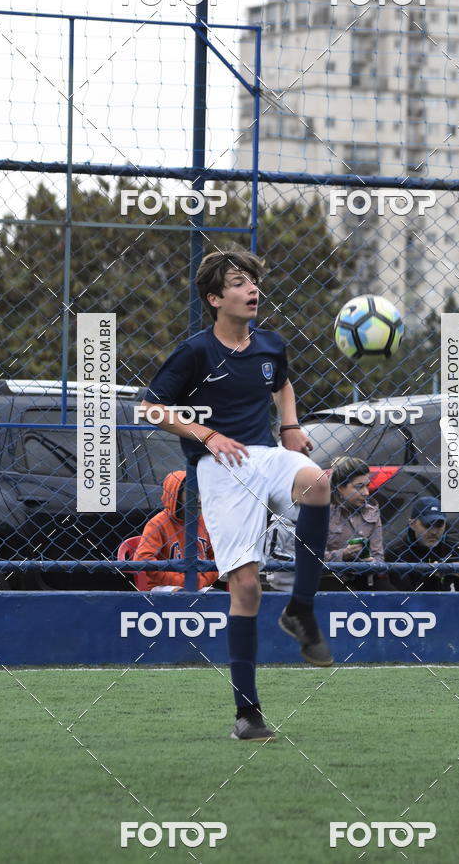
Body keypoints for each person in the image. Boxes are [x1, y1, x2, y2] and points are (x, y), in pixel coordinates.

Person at [141, 247, 332, 742]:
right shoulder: (196, 351)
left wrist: (289, 425)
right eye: (240, 283)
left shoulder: (270, 343)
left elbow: (283, 383)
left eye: (254, 281)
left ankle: (301, 607)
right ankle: (248, 714)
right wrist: (205, 435)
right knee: (245, 588)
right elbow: (151, 408)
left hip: (265, 456)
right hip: (220, 467)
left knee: (319, 481)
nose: (253, 290)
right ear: (214, 298)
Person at [134, 470, 217, 592]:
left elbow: (216, 557)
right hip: (162, 585)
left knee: (216, 597)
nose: (199, 499)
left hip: (198, 584)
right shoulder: (158, 523)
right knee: (180, 596)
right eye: (191, 493)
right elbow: (142, 559)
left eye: (201, 491)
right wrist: (182, 581)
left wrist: (202, 580)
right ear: (175, 495)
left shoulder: (205, 522)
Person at [325, 456, 398, 591]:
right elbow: (313, 556)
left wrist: (371, 563)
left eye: (367, 486)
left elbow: (378, 556)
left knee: (394, 597)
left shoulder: (372, 512)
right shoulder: (322, 512)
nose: (365, 492)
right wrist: (344, 554)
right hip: (331, 577)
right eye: (359, 487)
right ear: (340, 487)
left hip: (365, 577)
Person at [385, 496, 459, 591]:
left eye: (439, 525)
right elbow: (406, 599)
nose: (434, 532)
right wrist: (432, 575)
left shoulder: (454, 546)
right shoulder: (396, 551)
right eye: (427, 525)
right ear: (412, 524)